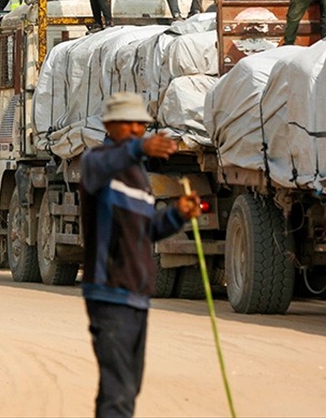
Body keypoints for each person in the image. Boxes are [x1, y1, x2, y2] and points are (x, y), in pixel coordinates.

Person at [80, 92, 202, 417]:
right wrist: (140, 147)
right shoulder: (97, 163)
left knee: (127, 388)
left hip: (136, 296)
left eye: (141, 124)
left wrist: (177, 214)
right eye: (128, 123)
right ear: (109, 125)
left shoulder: (138, 176)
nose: (136, 129)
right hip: (108, 293)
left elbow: (147, 231)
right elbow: (104, 163)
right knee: (118, 393)